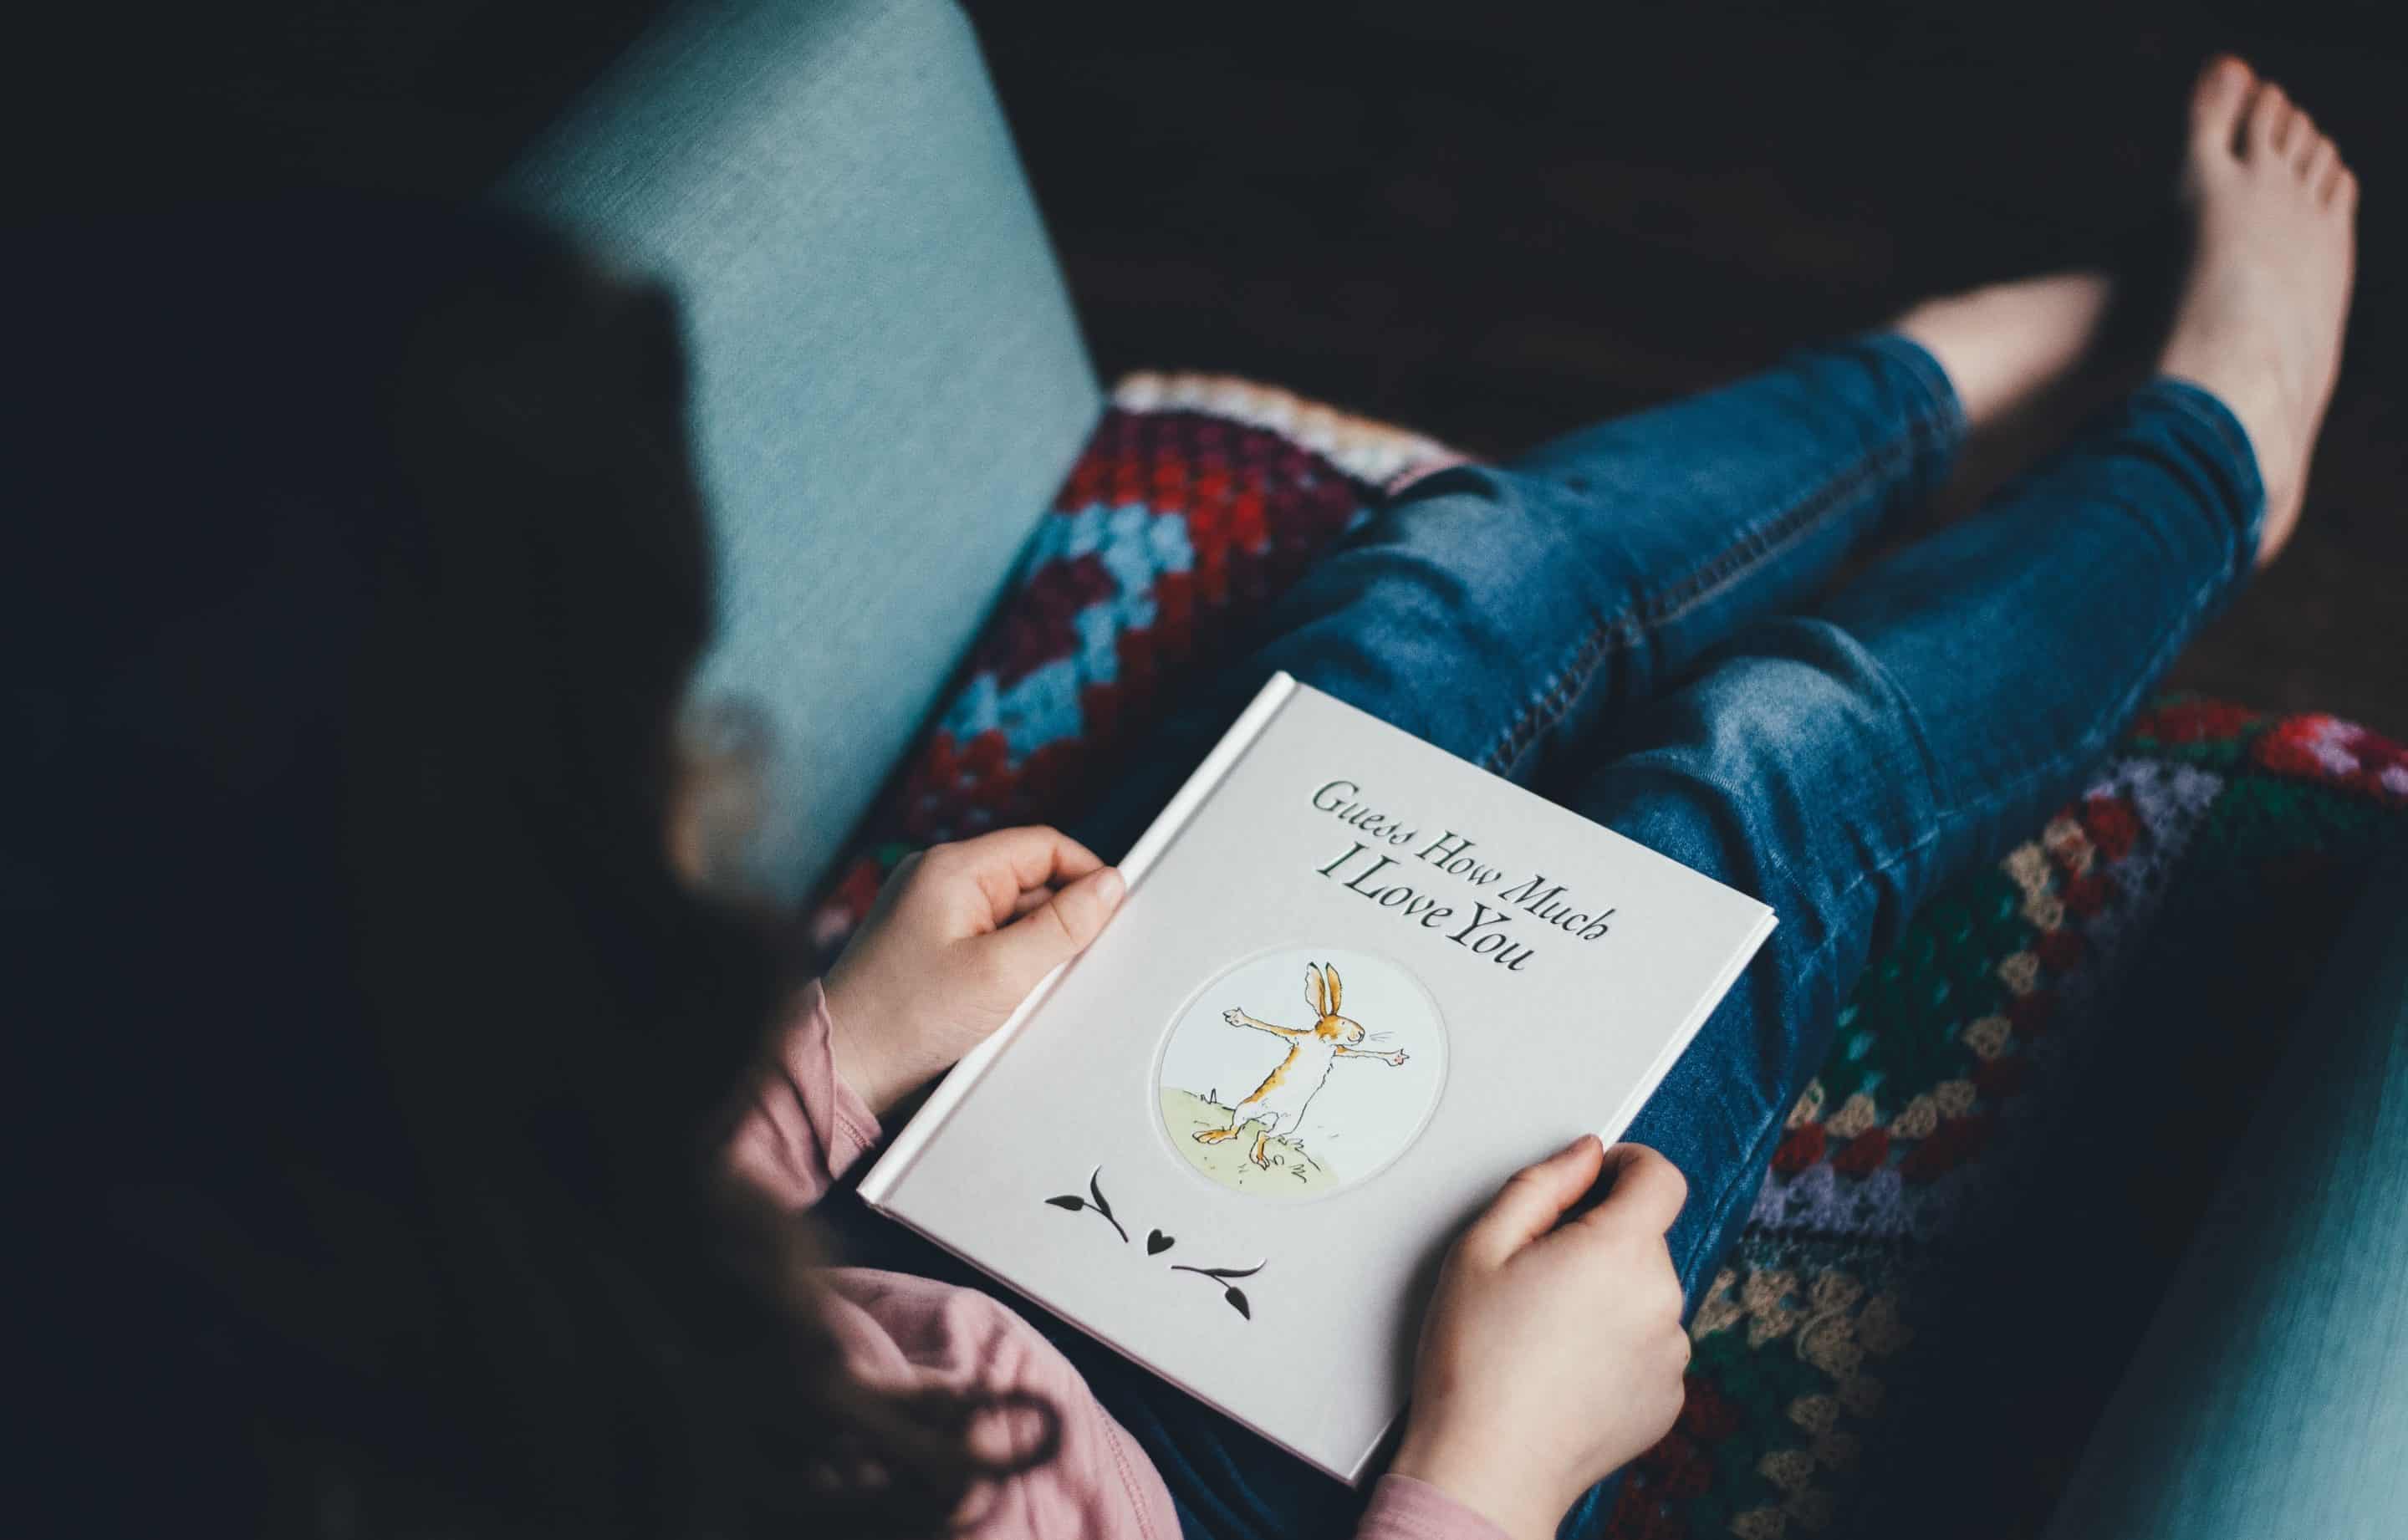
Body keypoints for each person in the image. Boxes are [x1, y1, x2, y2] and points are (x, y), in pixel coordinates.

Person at [29, 54, 2351, 1540]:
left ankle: (1930, 390)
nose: (723, 809)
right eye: (668, 783)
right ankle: (2203, 470)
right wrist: (1490, 1465)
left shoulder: (280, 1232)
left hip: (917, 1245)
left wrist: (835, 1046)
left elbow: (506, 1166)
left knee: (1433, 582)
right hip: (1273, 1470)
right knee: (1761, 773)